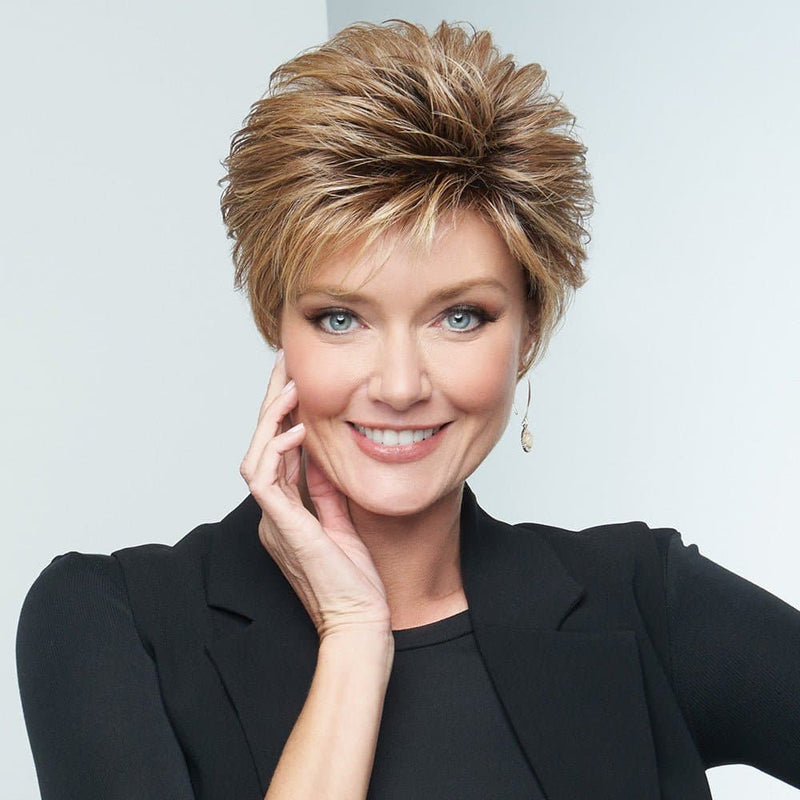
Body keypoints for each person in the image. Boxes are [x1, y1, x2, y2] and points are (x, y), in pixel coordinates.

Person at [16, 19, 800, 800]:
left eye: (460, 316)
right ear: (275, 322)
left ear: (529, 333)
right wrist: (354, 638)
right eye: (340, 318)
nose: (398, 386)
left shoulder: (643, 604)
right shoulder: (112, 623)